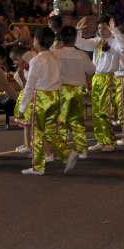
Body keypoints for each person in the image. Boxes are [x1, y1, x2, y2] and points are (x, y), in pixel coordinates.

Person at [18, 27, 79, 175]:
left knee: (37, 133)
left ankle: (38, 167)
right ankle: (67, 153)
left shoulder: (37, 60)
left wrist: (22, 107)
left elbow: (30, 85)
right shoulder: (54, 58)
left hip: (42, 98)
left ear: (37, 41)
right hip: (55, 96)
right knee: (50, 131)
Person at [75, 16, 124, 152]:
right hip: (96, 78)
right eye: (99, 28)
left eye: (104, 28)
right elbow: (79, 43)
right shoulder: (97, 42)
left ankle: (109, 140)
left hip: (107, 79)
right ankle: (101, 139)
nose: (101, 30)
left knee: (105, 111)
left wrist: (115, 31)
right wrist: (78, 30)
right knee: (96, 112)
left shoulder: (115, 42)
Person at [53, 26, 96, 158]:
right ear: (74, 38)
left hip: (61, 90)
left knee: (60, 121)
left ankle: (62, 148)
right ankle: (82, 149)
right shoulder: (81, 55)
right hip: (77, 90)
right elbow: (92, 70)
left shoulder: (56, 54)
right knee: (77, 120)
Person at [10, 44, 37, 154]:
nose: (16, 62)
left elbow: (21, 72)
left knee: (27, 121)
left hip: (31, 92)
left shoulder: (29, 55)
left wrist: (25, 85)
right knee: (27, 121)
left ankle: (28, 145)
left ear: (21, 55)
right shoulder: (32, 56)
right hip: (32, 91)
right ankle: (27, 144)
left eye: (16, 59)